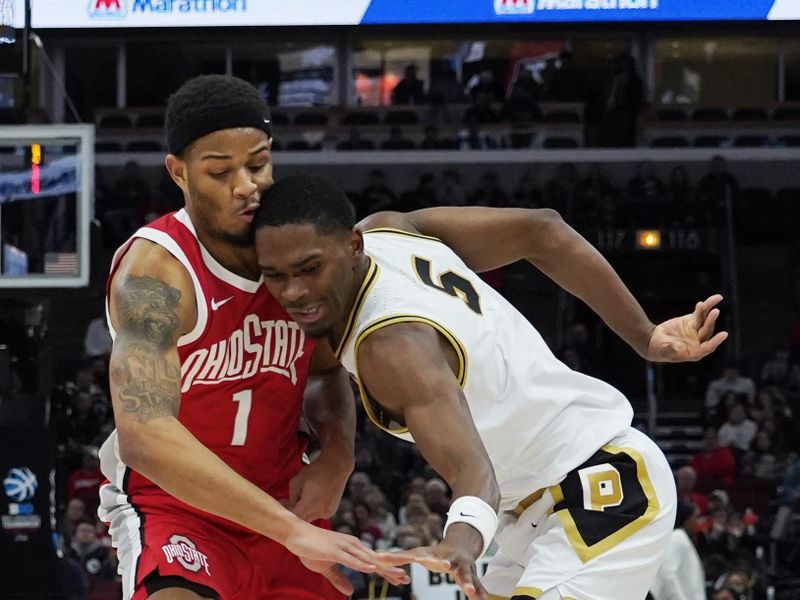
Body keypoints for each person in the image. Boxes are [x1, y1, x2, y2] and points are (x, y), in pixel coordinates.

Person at [252, 175, 728, 600]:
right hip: (529, 515)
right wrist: (643, 335)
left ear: (352, 247)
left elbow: (474, 470)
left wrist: (460, 542)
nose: (293, 292)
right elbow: (543, 230)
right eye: (275, 275)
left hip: (600, 487)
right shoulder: (391, 230)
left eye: (309, 269)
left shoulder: (392, 346)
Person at [97, 76, 409, 600]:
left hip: (283, 500)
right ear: (178, 172)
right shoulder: (154, 271)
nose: (246, 185)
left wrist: (337, 454)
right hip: (176, 507)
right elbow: (144, 433)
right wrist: (291, 531)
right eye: (220, 171)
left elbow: (327, 370)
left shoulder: (297, 253)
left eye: (259, 164)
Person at [649, 501, 706, 600]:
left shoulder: (682, 538)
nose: (698, 522)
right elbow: (668, 573)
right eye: (695, 517)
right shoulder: (676, 537)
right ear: (687, 519)